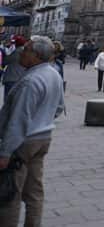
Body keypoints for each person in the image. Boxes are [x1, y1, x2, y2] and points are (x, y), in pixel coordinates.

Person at [0, 35, 65, 227]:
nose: (22, 52)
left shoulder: (30, 81)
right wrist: (42, 119)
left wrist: (5, 153)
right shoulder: (53, 73)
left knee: (10, 193)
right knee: (34, 191)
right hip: (43, 138)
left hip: (23, 142)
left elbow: (18, 122)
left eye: (26, 49)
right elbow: (59, 107)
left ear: (35, 55)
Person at [2, 36, 29, 104]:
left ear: (17, 43)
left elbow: (5, 61)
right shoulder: (25, 51)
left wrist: (4, 53)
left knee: (8, 101)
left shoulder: (17, 52)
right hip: (20, 77)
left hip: (12, 78)